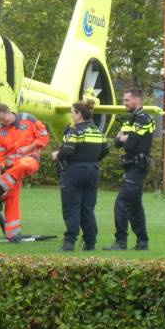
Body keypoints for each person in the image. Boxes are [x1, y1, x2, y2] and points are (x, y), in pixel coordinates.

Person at [52, 99, 109, 252]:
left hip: (74, 172)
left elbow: (69, 149)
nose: (71, 116)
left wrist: (57, 155)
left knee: (71, 208)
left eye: (72, 113)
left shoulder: (74, 131)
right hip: (93, 171)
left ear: (79, 114)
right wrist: (92, 160)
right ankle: (90, 243)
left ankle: (69, 243)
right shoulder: (98, 130)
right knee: (88, 209)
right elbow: (105, 150)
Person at [104, 88, 155, 251]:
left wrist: (124, 138)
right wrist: (123, 138)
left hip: (137, 167)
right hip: (131, 166)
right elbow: (117, 142)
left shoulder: (143, 119)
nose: (124, 103)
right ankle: (142, 241)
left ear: (137, 100)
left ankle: (121, 242)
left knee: (121, 202)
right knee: (134, 205)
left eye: (126, 100)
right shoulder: (131, 119)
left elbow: (130, 144)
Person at [0, 103, 50, 242]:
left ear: (9, 111)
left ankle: (0, 188)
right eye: (0, 121)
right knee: (11, 198)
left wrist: (30, 147)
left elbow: (44, 136)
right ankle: (13, 235)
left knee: (23, 164)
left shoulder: (28, 119)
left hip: (30, 161)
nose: (3, 123)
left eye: (4, 120)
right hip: (10, 171)